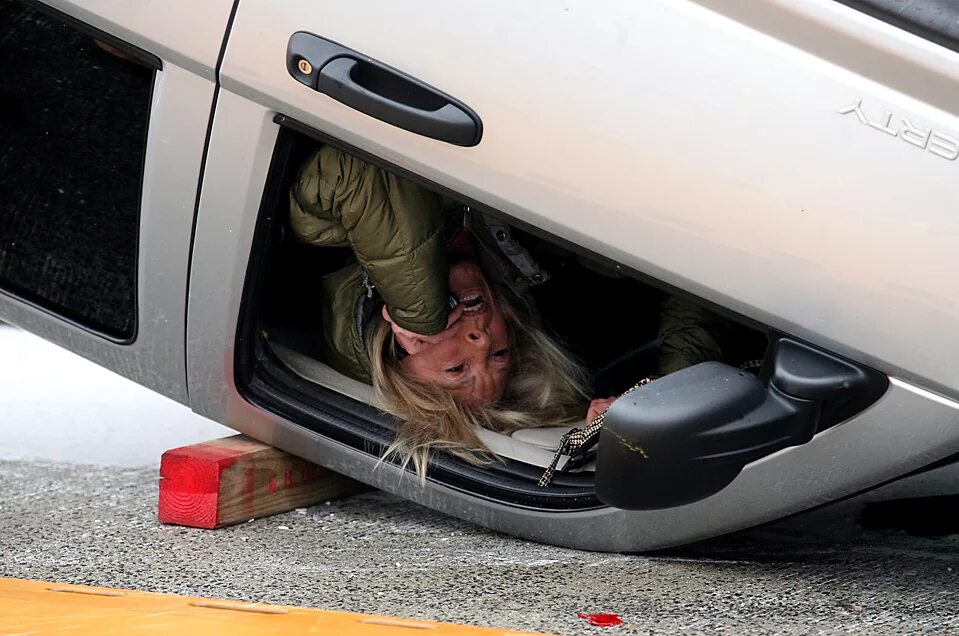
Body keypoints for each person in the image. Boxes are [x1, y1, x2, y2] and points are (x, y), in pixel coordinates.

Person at [288, 145, 725, 477]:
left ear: (395, 355)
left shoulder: (326, 227)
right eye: (499, 355)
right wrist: (665, 399)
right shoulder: (533, 259)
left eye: (456, 369)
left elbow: (364, 164)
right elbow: (692, 259)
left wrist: (418, 310)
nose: (482, 341)